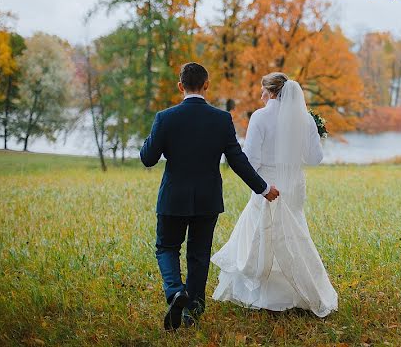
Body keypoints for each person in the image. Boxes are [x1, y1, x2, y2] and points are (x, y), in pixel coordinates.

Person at [140, 62, 280, 330]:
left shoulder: (165, 118)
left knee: (167, 247)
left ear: (181, 86)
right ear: (206, 85)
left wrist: (154, 134)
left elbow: (148, 158)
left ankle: (175, 292)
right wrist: (263, 188)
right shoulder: (221, 119)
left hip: (173, 197)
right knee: (199, 253)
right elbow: (237, 160)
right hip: (207, 198)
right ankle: (193, 310)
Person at [212, 72, 338, 316]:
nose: (260, 96)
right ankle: (298, 290)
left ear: (270, 92)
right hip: (293, 185)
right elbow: (314, 159)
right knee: (294, 233)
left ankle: (261, 292)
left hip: (267, 185)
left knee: (262, 232)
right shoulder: (306, 120)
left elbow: (250, 160)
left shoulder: (260, 117)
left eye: (262, 91)